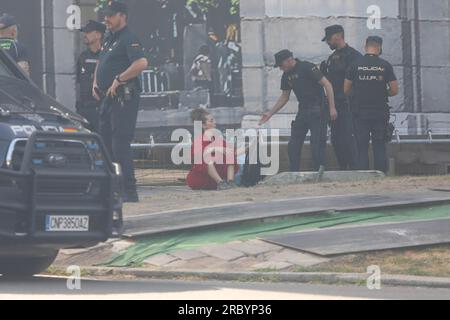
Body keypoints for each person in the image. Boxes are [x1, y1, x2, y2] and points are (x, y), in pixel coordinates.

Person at [93, 1, 149, 203]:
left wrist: (119, 79)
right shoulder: (109, 38)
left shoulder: (129, 38)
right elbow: (101, 60)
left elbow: (141, 63)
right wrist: (95, 82)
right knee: (106, 143)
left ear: (122, 16)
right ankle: (112, 189)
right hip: (107, 98)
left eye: (110, 15)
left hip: (124, 98)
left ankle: (129, 191)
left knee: (120, 144)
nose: (105, 19)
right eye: (105, 15)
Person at [260, 50, 337, 172]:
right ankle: (294, 172)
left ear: (289, 60)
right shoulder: (286, 75)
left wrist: (332, 108)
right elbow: (284, 97)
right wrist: (270, 113)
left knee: (317, 144)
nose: (280, 68)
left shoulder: (307, 67)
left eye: (281, 65)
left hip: (319, 110)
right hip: (303, 111)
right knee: (293, 145)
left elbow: (327, 85)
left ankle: (320, 173)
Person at [344, 36, 399, 173]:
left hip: (360, 111)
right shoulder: (385, 65)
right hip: (380, 111)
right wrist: (381, 93)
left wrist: (359, 94)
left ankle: (363, 176)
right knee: (379, 144)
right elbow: (394, 90)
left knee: (361, 145)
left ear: (365, 47)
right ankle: (380, 174)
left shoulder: (355, 65)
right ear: (379, 48)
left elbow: (345, 89)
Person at [321, 25, 362, 170]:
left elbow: (358, 83)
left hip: (349, 105)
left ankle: (355, 169)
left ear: (338, 36)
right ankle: (343, 168)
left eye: (329, 39)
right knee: (337, 139)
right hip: (335, 105)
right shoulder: (331, 58)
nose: (327, 43)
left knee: (349, 138)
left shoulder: (354, 56)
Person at [186, 108, 239, 191]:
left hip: (214, 180)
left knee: (229, 154)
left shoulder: (219, 140)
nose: (214, 122)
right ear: (203, 125)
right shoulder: (198, 140)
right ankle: (221, 183)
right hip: (201, 180)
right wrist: (216, 149)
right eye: (211, 121)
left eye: (213, 120)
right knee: (206, 158)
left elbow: (233, 152)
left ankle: (230, 182)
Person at [76, 20, 106, 132]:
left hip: (100, 109)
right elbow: (78, 82)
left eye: (88, 32)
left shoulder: (105, 56)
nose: (85, 35)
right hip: (83, 110)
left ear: (98, 35)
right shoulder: (82, 57)